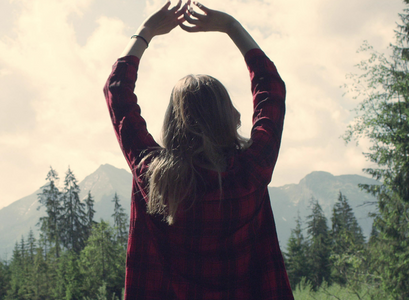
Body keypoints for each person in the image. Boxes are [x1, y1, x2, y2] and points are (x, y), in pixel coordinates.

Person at [103, 1, 293, 299]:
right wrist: (231, 27)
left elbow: (117, 92)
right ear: (227, 114)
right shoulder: (252, 169)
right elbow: (271, 88)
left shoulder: (153, 177)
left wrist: (145, 32)